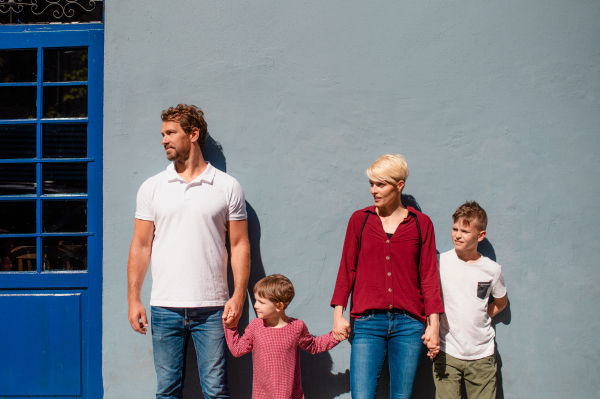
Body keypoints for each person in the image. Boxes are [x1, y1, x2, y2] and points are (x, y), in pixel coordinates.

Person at [127, 104, 250, 399]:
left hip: (213, 308)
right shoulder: (152, 187)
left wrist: (238, 296)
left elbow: (239, 244)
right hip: (164, 306)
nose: (163, 140)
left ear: (193, 134)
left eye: (171, 133)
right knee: (167, 391)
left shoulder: (227, 186)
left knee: (216, 390)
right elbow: (141, 245)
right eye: (162, 134)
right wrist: (134, 298)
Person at [331, 154, 444, 399]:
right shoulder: (360, 220)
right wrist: (337, 314)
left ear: (399, 185)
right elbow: (346, 268)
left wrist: (434, 325)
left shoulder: (420, 223)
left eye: (380, 184)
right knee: (361, 396)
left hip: (409, 324)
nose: (374, 190)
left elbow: (429, 276)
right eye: (371, 184)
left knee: (401, 397)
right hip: (367, 323)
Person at [224, 274, 343, 399]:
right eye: (256, 300)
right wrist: (230, 326)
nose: (255, 305)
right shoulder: (256, 326)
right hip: (262, 395)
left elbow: (314, 345)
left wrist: (336, 336)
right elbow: (237, 350)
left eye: (261, 302)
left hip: (288, 395)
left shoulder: (297, 327)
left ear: (279, 306)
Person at [434, 201, 508, 399]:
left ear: (480, 235)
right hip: (446, 351)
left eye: (465, 231)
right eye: (455, 229)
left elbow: (501, 303)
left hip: (482, 355)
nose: (457, 235)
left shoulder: (492, 269)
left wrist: (482, 316)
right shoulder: (440, 263)